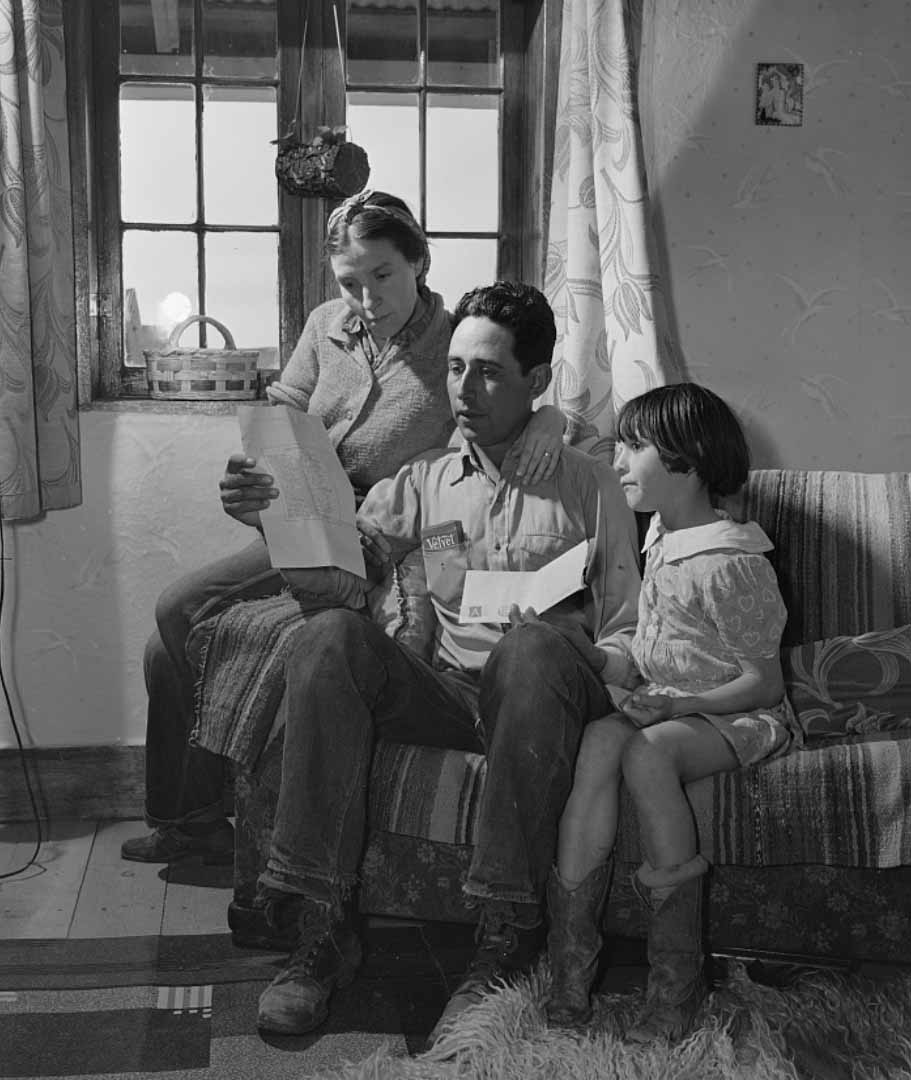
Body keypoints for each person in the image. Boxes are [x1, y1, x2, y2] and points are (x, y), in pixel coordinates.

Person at [227, 281, 642, 1038]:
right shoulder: (422, 482)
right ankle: (322, 929)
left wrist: (578, 648)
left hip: (549, 702)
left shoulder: (589, 483)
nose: (463, 389)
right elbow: (336, 578)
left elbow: (628, 625)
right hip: (453, 697)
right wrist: (271, 517)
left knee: (529, 649)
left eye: (485, 371)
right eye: (453, 369)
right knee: (325, 637)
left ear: (535, 381)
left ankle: (504, 938)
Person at [121, 192, 567, 864]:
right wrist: (252, 476)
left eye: (382, 275)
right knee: (171, 625)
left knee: (187, 622)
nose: (366, 297)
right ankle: (191, 822)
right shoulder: (326, 324)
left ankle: (242, 830)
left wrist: (550, 422)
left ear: (418, 262)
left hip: (408, 533)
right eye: (349, 283)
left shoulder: (456, 342)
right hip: (306, 514)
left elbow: (516, 397)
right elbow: (285, 409)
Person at [545, 383, 796, 1042]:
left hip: (733, 713)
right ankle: (569, 968)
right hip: (670, 701)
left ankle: (675, 988)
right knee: (598, 741)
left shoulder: (729, 560)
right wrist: (593, 658)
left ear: (686, 458)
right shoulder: (659, 533)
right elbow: (654, 645)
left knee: (646, 754)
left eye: (634, 447)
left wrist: (681, 705)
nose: (618, 459)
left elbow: (763, 683)